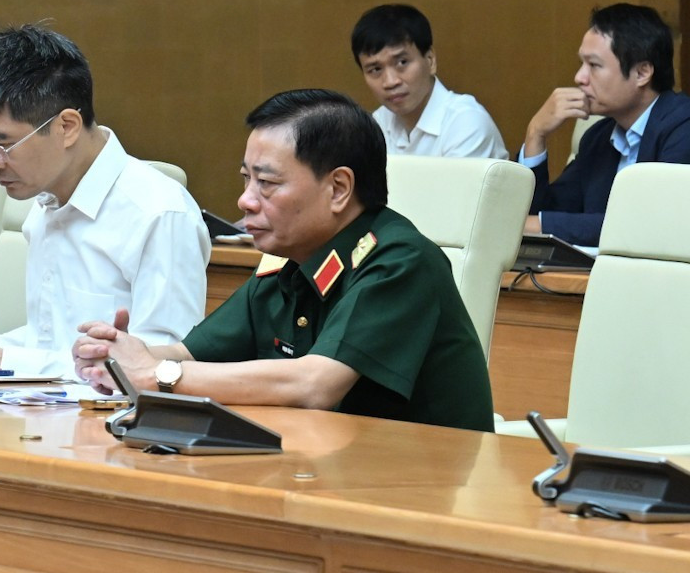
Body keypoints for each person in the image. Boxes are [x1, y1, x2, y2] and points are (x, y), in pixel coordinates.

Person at [74, 89, 493, 432]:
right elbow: (189, 355)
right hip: (329, 472)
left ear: (339, 188)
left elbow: (316, 384)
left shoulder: (400, 261)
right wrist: (120, 354)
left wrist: (157, 376)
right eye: (246, 180)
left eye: (267, 183)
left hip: (420, 490)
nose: (245, 201)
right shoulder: (286, 263)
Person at [0, 25, 208, 375]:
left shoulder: (158, 214)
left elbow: (164, 368)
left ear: (67, 126)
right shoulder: (45, 201)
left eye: (2, 144)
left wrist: (3, 358)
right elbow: (46, 343)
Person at [521, 2, 690, 248]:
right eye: (582, 63)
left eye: (594, 65)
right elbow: (547, 211)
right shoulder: (598, 137)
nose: (579, 77)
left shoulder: (682, 127)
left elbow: (650, 226)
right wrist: (535, 134)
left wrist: (540, 225)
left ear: (642, 73)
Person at [350, 4, 506, 159]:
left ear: (430, 60)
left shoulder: (466, 122)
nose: (390, 82)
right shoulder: (377, 126)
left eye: (402, 62)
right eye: (375, 70)